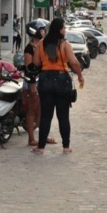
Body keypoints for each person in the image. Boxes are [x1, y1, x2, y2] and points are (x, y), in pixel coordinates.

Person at [32, 18, 84, 155]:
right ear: (59, 29)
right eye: (64, 28)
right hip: (62, 81)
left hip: (45, 80)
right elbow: (74, 62)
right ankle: (66, 147)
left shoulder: (41, 44)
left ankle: (41, 147)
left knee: (45, 116)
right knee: (63, 116)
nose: (65, 30)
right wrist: (80, 76)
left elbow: (36, 63)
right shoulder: (64, 44)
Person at [22, 21, 56, 147]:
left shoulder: (41, 46)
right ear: (34, 31)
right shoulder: (29, 48)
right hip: (31, 83)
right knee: (32, 111)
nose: (43, 32)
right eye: (41, 30)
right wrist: (32, 85)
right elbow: (29, 68)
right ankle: (31, 139)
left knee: (42, 111)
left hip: (41, 83)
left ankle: (43, 136)